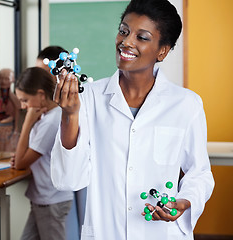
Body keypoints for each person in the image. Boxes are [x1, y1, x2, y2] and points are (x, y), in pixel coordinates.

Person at [50, 0, 215, 239]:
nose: (126, 42)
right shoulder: (89, 98)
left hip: (161, 233)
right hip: (107, 231)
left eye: (142, 37)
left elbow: (199, 173)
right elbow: (67, 180)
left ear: (163, 51)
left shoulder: (186, 104)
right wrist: (69, 113)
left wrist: (185, 200)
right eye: (124, 31)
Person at [11, 67, 73, 240]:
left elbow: (21, 164)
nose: (23, 106)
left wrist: (27, 123)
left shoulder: (51, 121)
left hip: (51, 200)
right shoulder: (48, 117)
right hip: (44, 200)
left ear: (40, 94)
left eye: (25, 100)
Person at [37, 45, 87, 240]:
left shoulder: (75, 101)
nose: (40, 80)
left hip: (77, 174)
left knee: (82, 219)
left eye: (44, 73)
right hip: (56, 186)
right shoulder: (47, 108)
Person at [0, 68, 21, 152]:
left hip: (10, 129)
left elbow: (18, 110)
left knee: (9, 151)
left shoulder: (14, 99)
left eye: (6, 79)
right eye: (1, 78)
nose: (3, 81)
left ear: (12, 80)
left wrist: (16, 129)